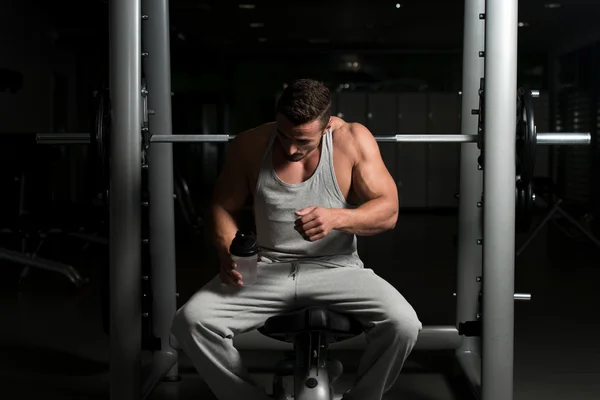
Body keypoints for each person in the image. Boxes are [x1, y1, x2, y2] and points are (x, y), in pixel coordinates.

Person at [171, 78, 422, 400]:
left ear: (327, 126)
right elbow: (222, 206)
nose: (291, 148)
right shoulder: (250, 143)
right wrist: (227, 249)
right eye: (284, 135)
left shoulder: (352, 139)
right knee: (191, 321)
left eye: (303, 140)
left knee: (403, 326)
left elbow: (388, 211)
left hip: (338, 269)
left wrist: (337, 218)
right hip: (265, 268)